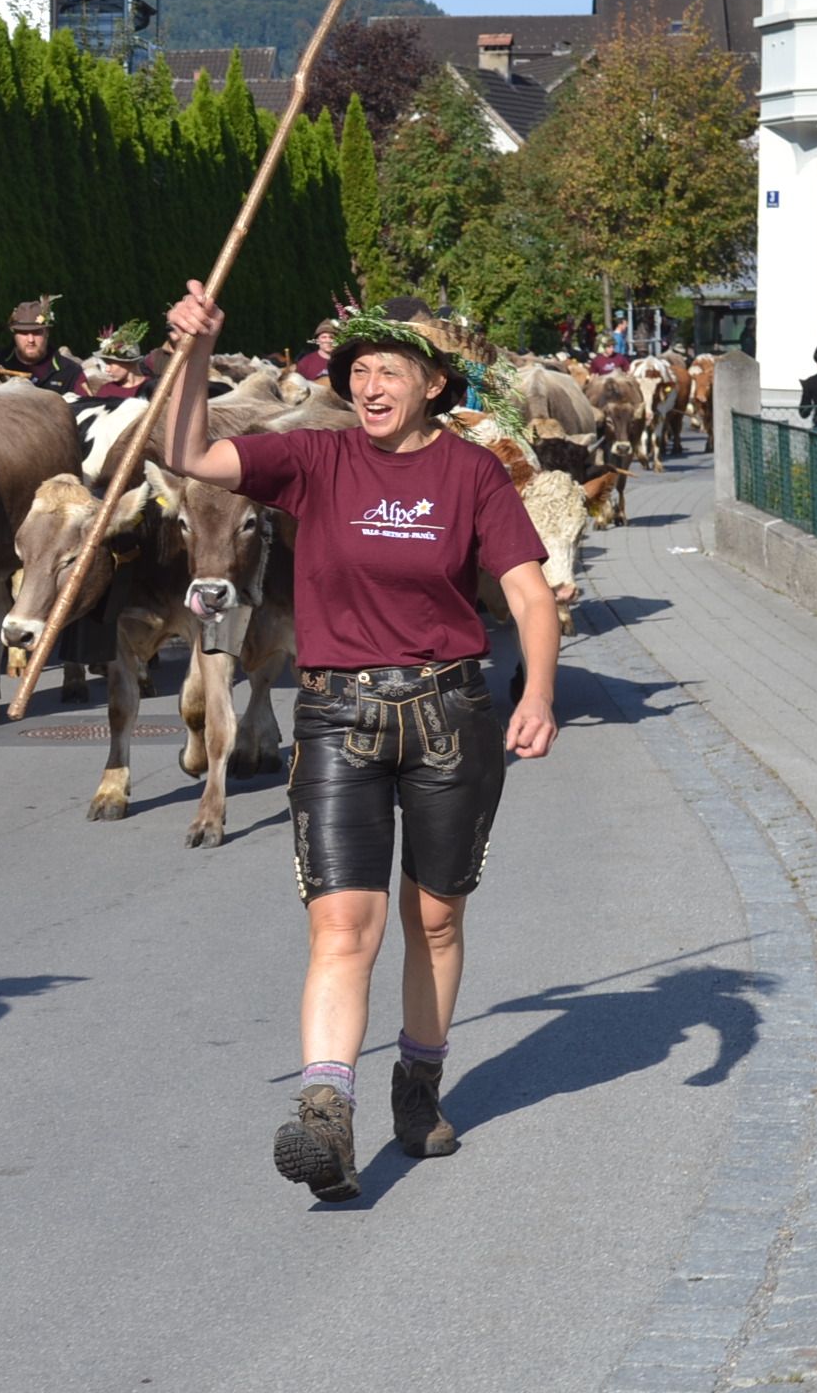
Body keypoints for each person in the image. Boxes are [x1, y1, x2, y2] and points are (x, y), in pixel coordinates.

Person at [157, 284, 562, 1203]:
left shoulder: (472, 474)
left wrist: (537, 691)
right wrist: (194, 350)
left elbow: (529, 594)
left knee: (436, 919)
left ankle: (417, 1082)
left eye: (390, 371)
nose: (371, 385)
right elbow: (187, 453)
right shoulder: (315, 459)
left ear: (432, 385)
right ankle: (326, 1115)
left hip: (450, 716)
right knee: (344, 924)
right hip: (338, 715)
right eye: (360, 372)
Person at [0, 295, 86, 392]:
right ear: (14, 333)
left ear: (47, 332)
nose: (31, 340)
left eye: (37, 332)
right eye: (24, 333)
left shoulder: (70, 372)